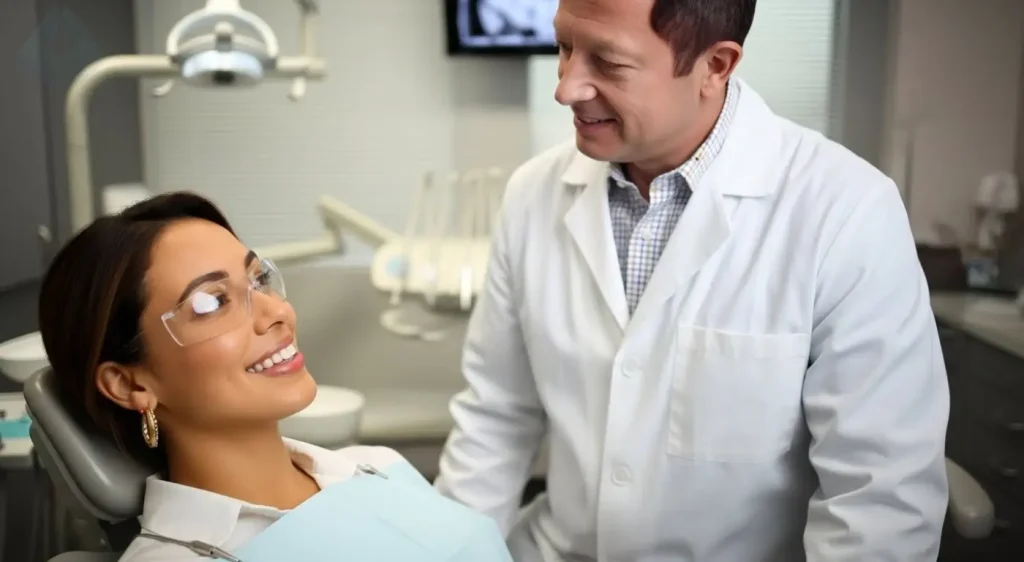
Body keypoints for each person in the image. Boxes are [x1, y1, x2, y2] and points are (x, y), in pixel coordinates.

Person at [434, 0, 950, 561]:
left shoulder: (846, 212)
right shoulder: (533, 193)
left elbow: (877, 503)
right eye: (564, 47)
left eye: (608, 62)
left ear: (715, 65)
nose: (566, 88)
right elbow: (495, 419)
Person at [36, 192, 481, 561]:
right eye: (212, 302)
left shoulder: (378, 466)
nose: (276, 312)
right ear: (130, 384)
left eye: (258, 279)